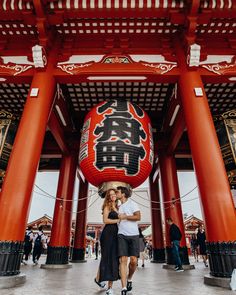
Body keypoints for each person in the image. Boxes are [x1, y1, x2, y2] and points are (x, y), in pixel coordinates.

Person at [94, 188, 120, 295]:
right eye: (110, 194)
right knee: (107, 258)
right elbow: (105, 220)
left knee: (112, 258)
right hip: (108, 234)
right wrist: (118, 220)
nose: (112, 196)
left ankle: (98, 279)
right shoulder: (107, 206)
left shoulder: (117, 206)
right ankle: (109, 287)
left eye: (114, 194)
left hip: (115, 234)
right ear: (108, 197)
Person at [116, 186, 141, 295]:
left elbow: (138, 217)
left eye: (118, 192)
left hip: (134, 235)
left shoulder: (132, 204)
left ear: (123, 194)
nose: (116, 193)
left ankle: (129, 278)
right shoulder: (118, 206)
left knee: (134, 261)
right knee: (123, 260)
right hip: (121, 234)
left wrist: (125, 217)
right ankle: (124, 287)